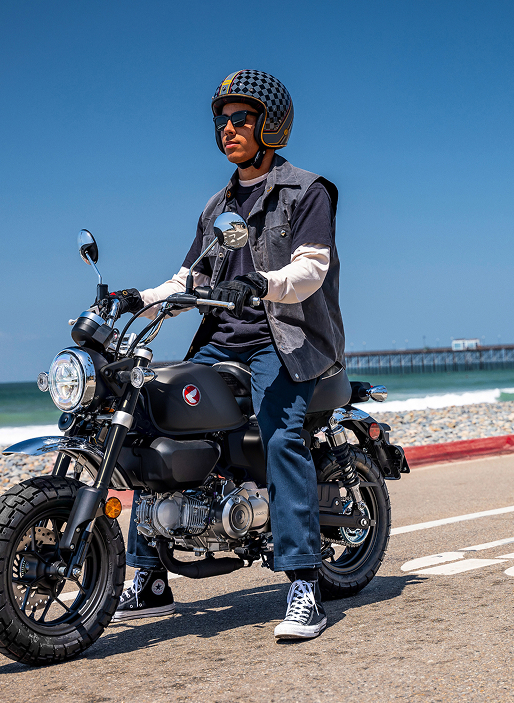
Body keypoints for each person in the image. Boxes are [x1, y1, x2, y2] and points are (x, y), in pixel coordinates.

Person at [103, 69, 344, 641]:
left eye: (242, 118)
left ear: (270, 125)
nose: (229, 128)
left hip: (283, 338)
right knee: (146, 413)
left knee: (283, 435)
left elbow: (312, 268)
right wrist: (138, 297)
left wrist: (260, 285)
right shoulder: (217, 205)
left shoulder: (307, 191)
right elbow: (189, 278)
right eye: (222, 120)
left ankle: (304, 585)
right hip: (221, 341)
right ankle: (150, 572)